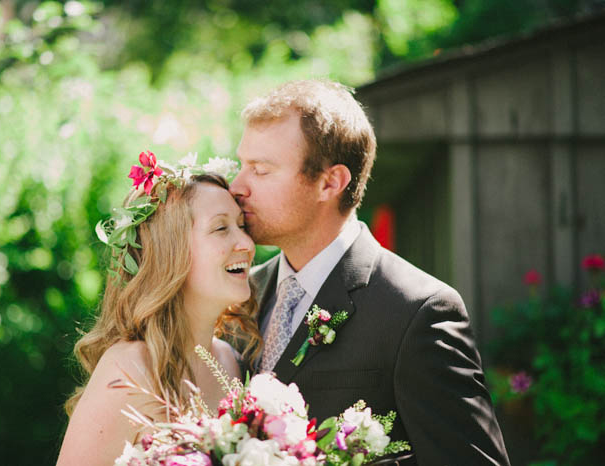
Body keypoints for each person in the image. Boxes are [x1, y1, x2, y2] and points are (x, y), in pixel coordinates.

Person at [229, 80, 511, 465]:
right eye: (242, 165)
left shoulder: (418, 311)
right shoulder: (235, 296)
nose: (237, 187)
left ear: (330, 182)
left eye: (260, 171)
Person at [56, 171, 261, 466]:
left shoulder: (231, 362)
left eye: (242, 226)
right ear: (170, 251)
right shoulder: (129, 369)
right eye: (221, 228)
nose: (247, 244)